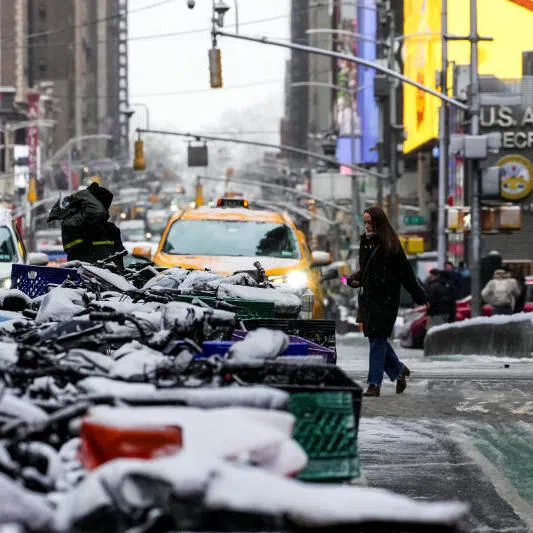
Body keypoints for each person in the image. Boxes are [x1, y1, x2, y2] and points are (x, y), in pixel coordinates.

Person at [347, 206, 427, 398]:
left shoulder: (391, 243)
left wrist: (420, 296)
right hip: (369, 298)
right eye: (364, 222)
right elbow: (365, 270)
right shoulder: (365, 242)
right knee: (377, 339)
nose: (366, 226)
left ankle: (374, 384)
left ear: (378, 222)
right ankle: (398, 370)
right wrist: (353, 279)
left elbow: (406, 273)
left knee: (377, 341)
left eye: (369, 222)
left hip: (387, 300)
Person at [48, 182, 125, 267]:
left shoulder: (110, 228)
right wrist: (84, 194)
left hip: (108, 278)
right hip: (83, 277)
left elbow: (119, 260)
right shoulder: (72, 223)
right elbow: (96, 212)